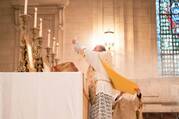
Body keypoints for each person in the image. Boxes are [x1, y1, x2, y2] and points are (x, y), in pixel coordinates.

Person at [72, 40, 116, 119]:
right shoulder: (103, 61)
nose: (93, 53)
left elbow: (87, 53)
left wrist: (77, 45)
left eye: (94, 51)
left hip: (101, 91)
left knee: (100, 116)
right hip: (101, 91)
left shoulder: (102, 57)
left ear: (100, 52)